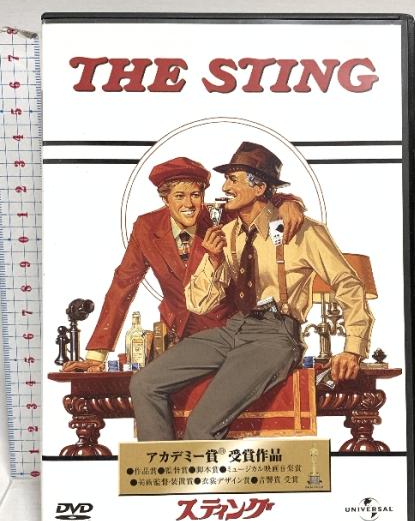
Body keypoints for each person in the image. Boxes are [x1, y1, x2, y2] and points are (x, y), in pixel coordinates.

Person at [130, 141, 374, 441]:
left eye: (233, 180)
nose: (225, 187)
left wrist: (353, 348)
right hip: (232, 329)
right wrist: (213, 259)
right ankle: (161, 468)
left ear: (259, 188)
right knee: (144, 383)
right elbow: (198, 303)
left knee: (201, 426)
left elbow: (348, 283)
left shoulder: (300, 230)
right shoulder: (228, 233)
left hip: (275, 336)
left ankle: (193, 471)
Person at [63, 155, 304, 372]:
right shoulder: (146, 227)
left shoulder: (223, 217)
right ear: (165, 199)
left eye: (195, 195)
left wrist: (290, 202)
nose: (189, 204)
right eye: (179, 196)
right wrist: (96, 356)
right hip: (175, 337)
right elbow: (122, 285)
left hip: (227, 336)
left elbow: (259, 196)